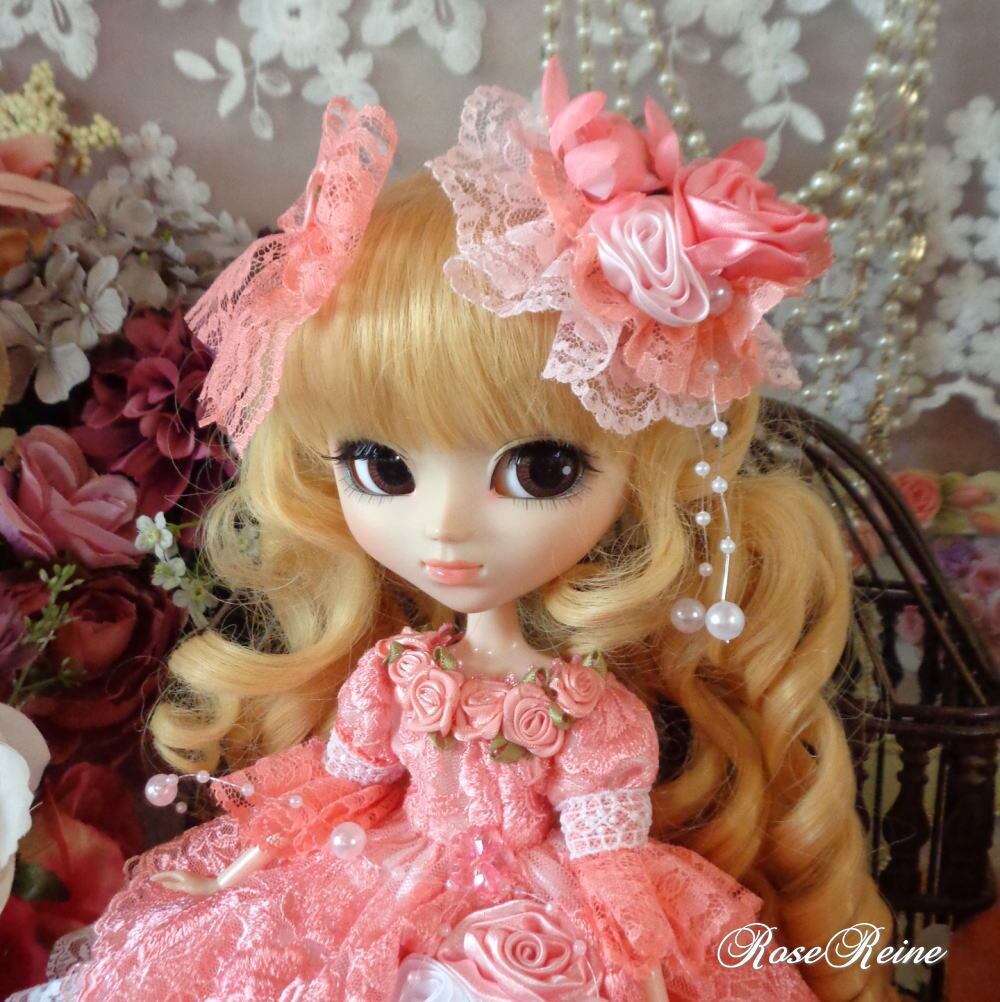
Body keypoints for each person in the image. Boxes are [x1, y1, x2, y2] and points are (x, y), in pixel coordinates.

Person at [12, 60, 899, 1002]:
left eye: (541, 470)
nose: (443, 527)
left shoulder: (588, 713)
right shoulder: (392, 678)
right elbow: (334, 791)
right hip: (372, 885)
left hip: (548, 923)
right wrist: (228, 875)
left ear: (637, 476)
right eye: (381, 468)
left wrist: (642, 963)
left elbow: (607, 858)